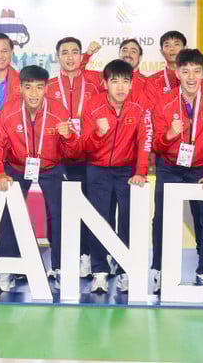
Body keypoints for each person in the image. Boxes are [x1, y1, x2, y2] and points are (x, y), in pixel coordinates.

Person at [0, 65, 81, 292]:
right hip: (17, 167)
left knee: (60, 214)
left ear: (46, 89)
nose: (33, 93)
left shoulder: (59, 111)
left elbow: (73, 152)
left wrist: (68, 137)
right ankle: (10, 267)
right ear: (20, 88)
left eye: (39, 88)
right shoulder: (9, 111)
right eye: (28, 87)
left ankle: (60, 267)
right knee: (9, 212)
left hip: (50, 167)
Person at [150, 49, 203, 293]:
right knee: (162, 216)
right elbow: (156, 145)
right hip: (170, 166)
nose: (191, 77)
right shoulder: (164, 102)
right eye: (185, 71)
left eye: (196, 71)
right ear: (177, 73)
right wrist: (170, 134)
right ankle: (159, 269)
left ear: (202, 72)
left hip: (201, 166)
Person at [82, 59, 152, 294]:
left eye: (125, 81)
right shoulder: (92, 105)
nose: (120, 87)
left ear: (132, 84)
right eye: (114, 81)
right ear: (105, 83)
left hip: (126, 170)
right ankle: (100, 271)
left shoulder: (140, 106)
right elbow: (84, 146)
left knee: (128, 221)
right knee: (99, 220)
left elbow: (145, 141)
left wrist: (141, 172)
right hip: (97, 169)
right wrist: (99, 133)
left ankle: (124, 271)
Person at [45, 36, 102, 278]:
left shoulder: (94, 84)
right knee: (55, 212)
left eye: (75, 52)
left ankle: (86, 257)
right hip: (58, 158)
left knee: (88, 210)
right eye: (65, 52)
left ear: (81, 57)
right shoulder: (47, 86)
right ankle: (58, 262)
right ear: (58, 57)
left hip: (88, 157)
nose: (70, 57)